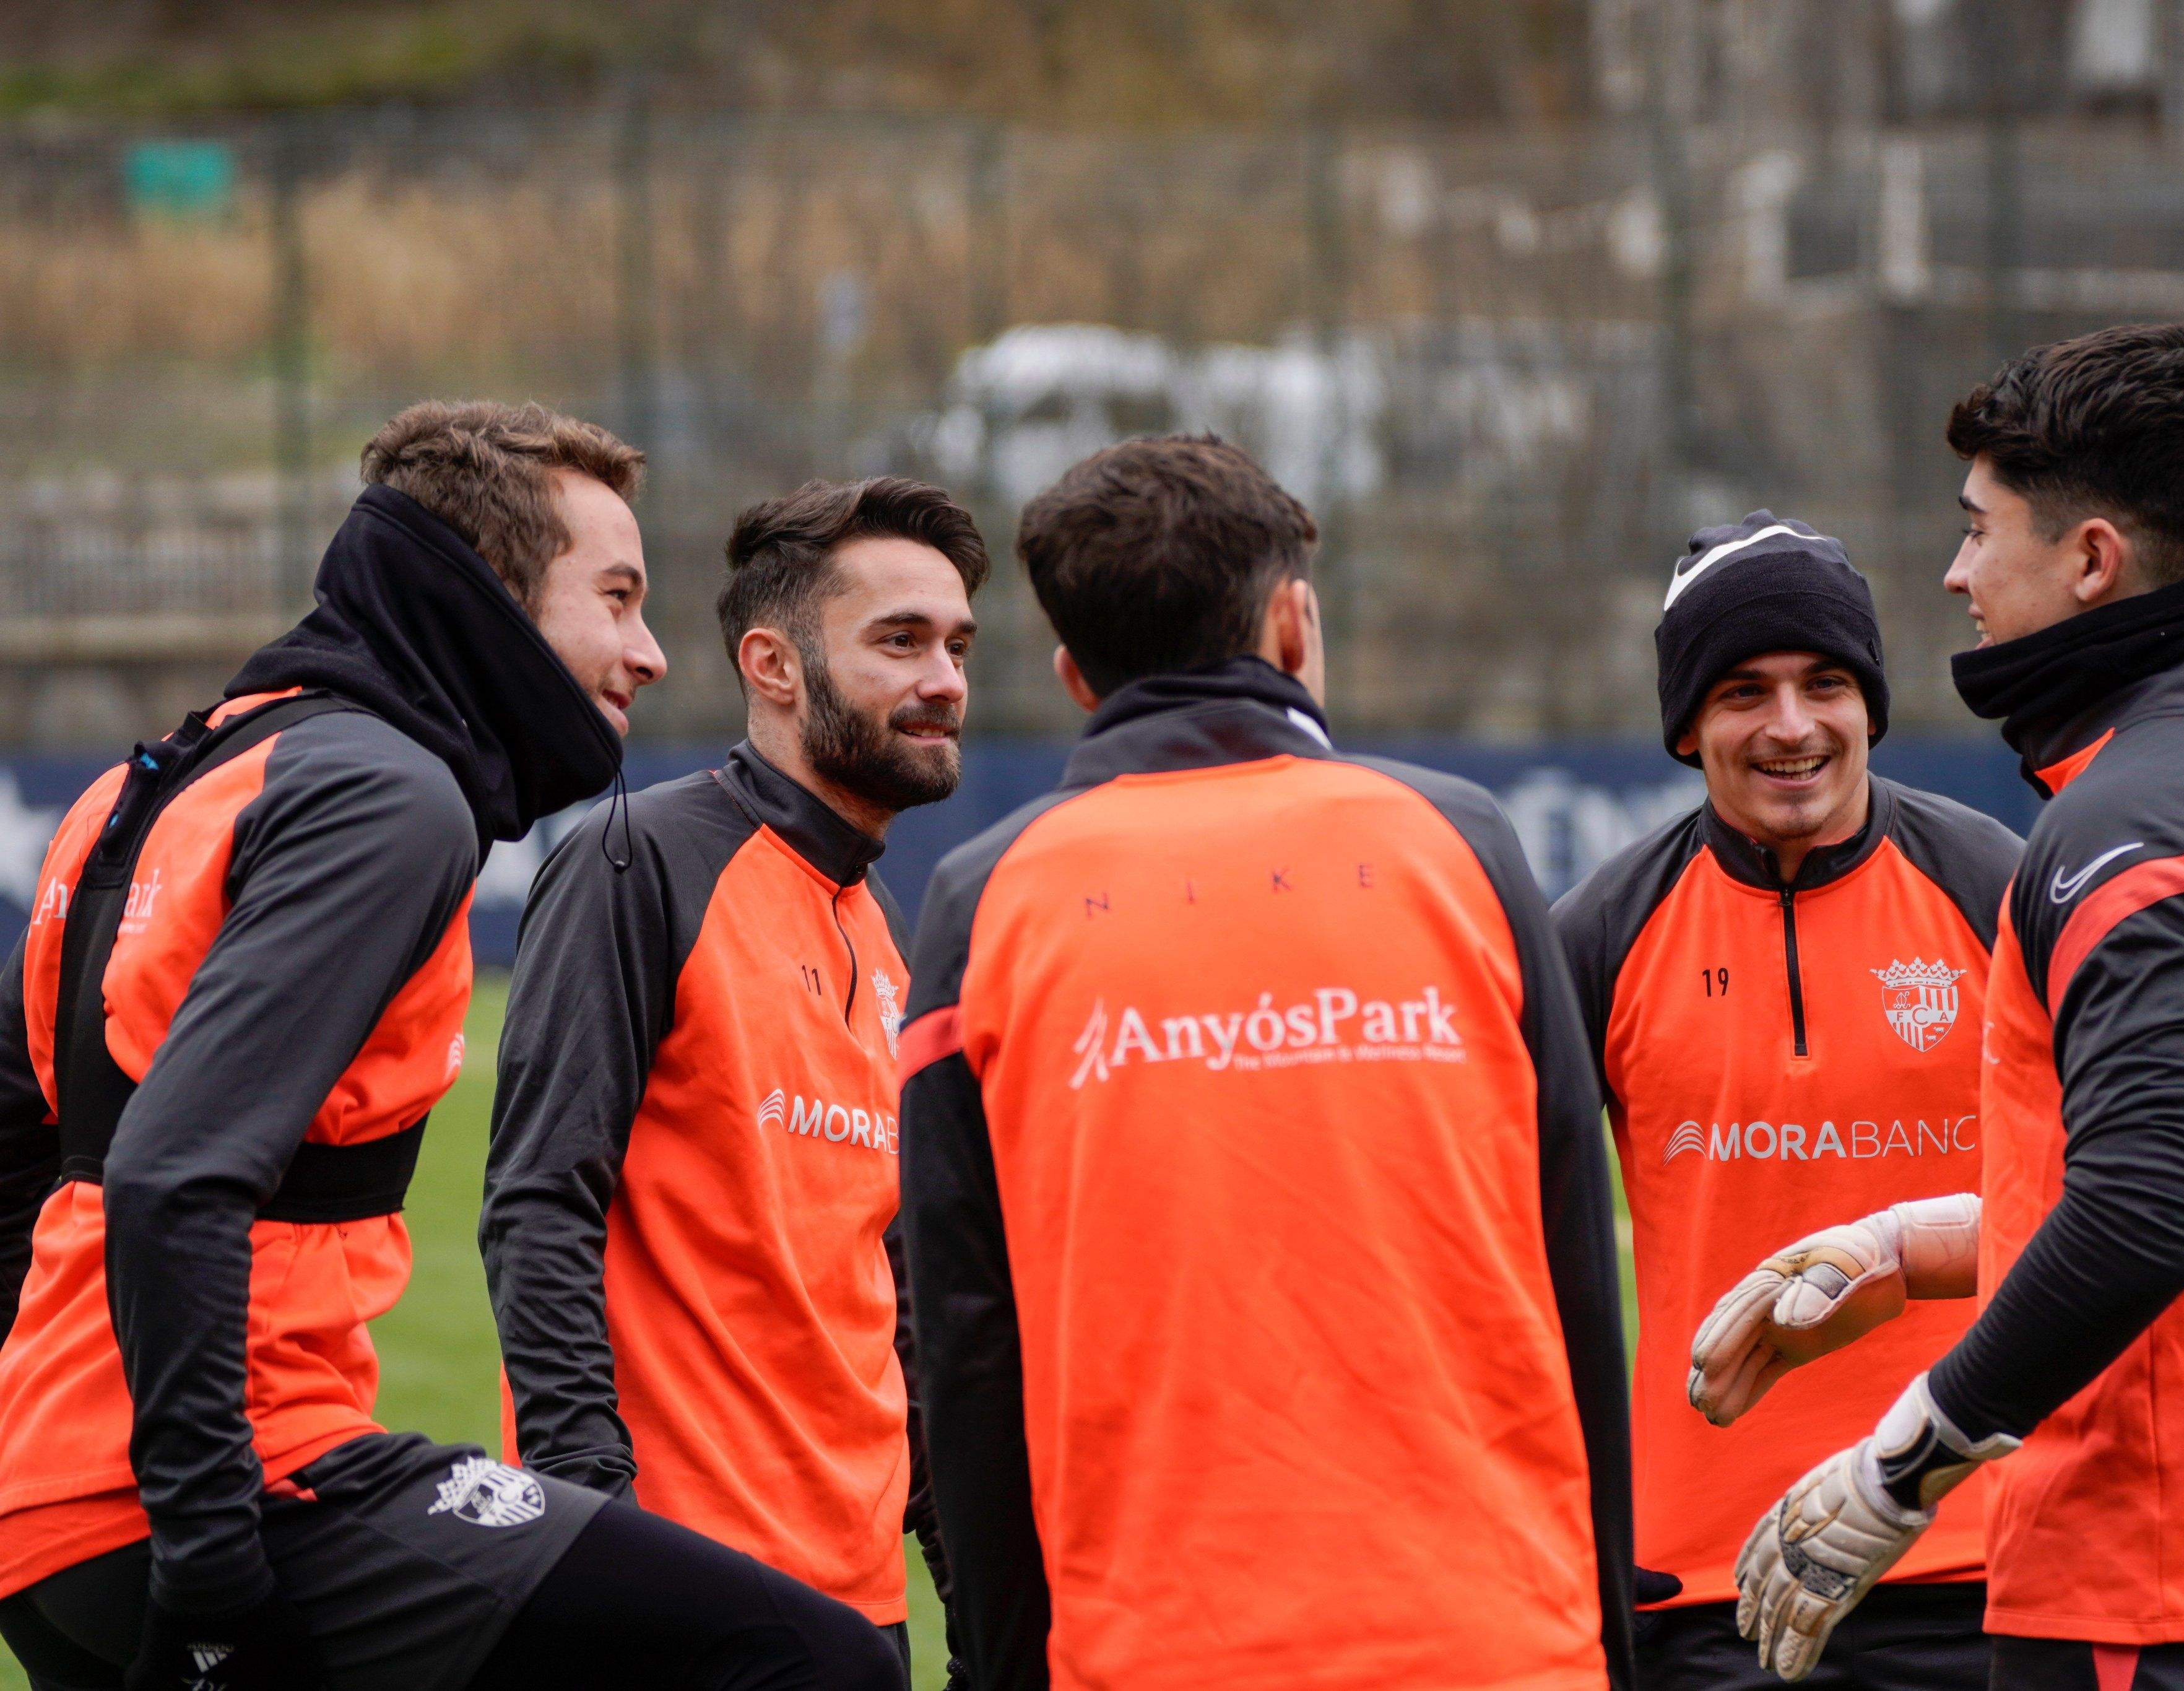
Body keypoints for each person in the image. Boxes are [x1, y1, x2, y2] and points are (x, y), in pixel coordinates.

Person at [0, 402, 903, 1691]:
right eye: (617, 597)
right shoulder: (391, 795)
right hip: (229, 1497)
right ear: (485, 595)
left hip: (55, 1510)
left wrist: (44, 1473)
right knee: (811, 1656)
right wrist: (208, 1572)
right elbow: (170, 1175)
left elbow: (19, 1144)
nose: (650, 653)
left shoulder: (149, 784)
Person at [896, 434, 1635, 1691]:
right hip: (1503, 1643)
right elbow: (1574, 1274)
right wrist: (1613, 1641)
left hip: (1153, 1654)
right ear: (1293, 625)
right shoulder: (1459, 843)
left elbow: (964, 1351)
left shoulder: (984, 900)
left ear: (1075, 675)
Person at [1731, 324, 2184, 1689]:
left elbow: (2143, 1210)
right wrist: (1902, 1245)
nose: (1956, 573)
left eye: (1979, 531)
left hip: (2157, 1586)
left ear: (2091, 559)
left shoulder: (2129, 820)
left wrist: (1900, 1464)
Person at [481, 477, 986, 1683]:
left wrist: (967, 1579)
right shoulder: (639, 861)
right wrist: (594, 1538)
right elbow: (538, 1207)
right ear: (773, 665)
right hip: (679, 1585)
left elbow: (893, 1293)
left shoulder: (881, 927)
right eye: (900, 641)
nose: (945, 681)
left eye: (958, 646)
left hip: (854, 1596)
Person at [1553, 513, 2020, 1691]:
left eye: (1825, 684)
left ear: (1870, 704)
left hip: (1978, 1554)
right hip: (1705, 1587)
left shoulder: (1999, 891)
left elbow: (2110, 1200)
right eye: (1743, 693)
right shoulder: (1600, 933)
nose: (1793, 726)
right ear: (1686, 726)